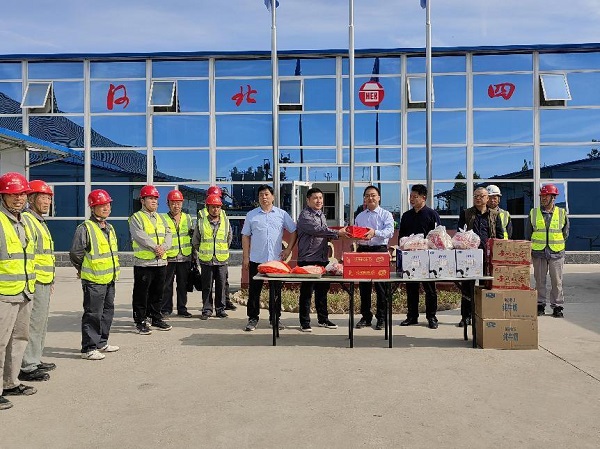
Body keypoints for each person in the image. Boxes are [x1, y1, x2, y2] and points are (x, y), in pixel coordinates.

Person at [0, 172, 37, 410]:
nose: (18, 198)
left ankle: (10, 382)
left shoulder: (23, 221)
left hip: (24, 290)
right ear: (3, 196)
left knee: (18, 339)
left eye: (22, 194)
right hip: (3, 294)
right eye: (13, 194)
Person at [69, 189, 120, 360]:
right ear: (92, 207)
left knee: (107, 312)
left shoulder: (109, 228)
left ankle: (101, 342)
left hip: (109, 279)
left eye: (108, 205)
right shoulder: (85, 228)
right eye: (101, 205)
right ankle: (88, 348)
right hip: (93, 280)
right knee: (93, 314)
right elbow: (76, 253)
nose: (106, 208)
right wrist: (83, 268)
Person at [241, 185, 297, 332]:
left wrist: (288, 249)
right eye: (261, 195)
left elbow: (293, 230)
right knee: (254, 291)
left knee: (275, 291)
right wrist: (246, 257)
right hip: (256, 259)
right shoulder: (251, 215)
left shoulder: (281, 214)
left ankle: (275, 319)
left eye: (266, 194)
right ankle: (253, 319)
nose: (264, 197)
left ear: (273, 197)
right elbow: (245, 236)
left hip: (275, 261)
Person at [19, 181, 56, 381]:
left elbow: (45, 255)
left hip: (44, 280)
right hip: (34, 282)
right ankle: (28, 366)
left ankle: (35, 358)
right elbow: (28, 255)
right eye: (43, 197)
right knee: (33, 324)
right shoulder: (27, 220)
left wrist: (51, 279)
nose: (47, 201)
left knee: (40, 323)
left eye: (49, 198)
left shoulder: (39, 221)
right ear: (31, 199)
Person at [296, 187, 347, 332]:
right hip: (308, 259)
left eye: (320, 198)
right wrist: (338, 233)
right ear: (308, 200)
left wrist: (336, 235)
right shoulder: (305, 216)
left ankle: (323, 319)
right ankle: (305, 322)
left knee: (322, 291)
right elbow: (318, 230)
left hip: (321, 258)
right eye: (315, 198)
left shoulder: (321, 215)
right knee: (307, 292)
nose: (318, 201)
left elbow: (323, 234)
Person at [457, 186, 504, 327]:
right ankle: (466, 317)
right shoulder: (466, 213)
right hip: (469, 257)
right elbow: (459, 234)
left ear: (487, 198)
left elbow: (500, 236)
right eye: (475, 196)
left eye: (481, 196)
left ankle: (484, 315)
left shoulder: (494, 215)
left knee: (486, 287)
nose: (478, 198)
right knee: (467, 288)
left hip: (487, 257)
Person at [129, 185, 173, 334]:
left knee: (158, 292)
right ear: (142, 200)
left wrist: (164, 248)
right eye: (150, 198)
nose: (154, 201)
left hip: (160, 262)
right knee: (141, 294)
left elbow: (168, 234)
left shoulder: (162, 218)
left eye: (155, 198)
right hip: (144, 263)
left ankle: (155, 317)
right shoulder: (136, 217)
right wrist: (156, 247)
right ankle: (140, 320)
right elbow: (140, 236)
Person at [398, 184, 441, 329]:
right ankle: (412, 316)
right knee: (411, 288)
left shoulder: (432, 214)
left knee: (430, 289)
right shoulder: (406, 216)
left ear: (423, 198)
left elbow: (438, 237)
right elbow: (401, 237)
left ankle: (431, 317)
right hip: (411, 258)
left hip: (428, 257)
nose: (411, 199)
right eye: (410, 196)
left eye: (415, 197)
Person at [354, 185, 395, 331]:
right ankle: (366, 317)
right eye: (367, 196)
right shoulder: (360, 216)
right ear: (364, 199)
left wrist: (375, 232)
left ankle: (381, 318)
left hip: (379, 251)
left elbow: (390, 231)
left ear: (379, 197)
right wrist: (354, 235)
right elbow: (356, 232)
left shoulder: (386, 214)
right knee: (364, 286)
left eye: (373, 195)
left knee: (381, 287)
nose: (370, 198)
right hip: (363, 251)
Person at [526, 184, 569, 318]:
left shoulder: (562, 213)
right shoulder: (533, 213)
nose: (543, 198)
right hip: (538, 252)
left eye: (546, 195)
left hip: (556, 252)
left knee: (557, 281)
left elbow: (565, 233)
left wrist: (556, 243)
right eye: (542, 196)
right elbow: (528, 233)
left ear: (553, 197)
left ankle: (557, 306)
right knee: (539, 281)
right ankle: (540, 305)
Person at [192, 194, 231, 320]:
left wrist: (221, 250)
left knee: (221, 286)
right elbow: (196, 241)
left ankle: (220, 309)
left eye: (218, 207)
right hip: (206, 260)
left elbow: (229, 239)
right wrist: (204, 251)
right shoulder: (201, 222)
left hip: (221, 260)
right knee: (207, 286)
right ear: (207, 207)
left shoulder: (226, 222)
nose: (215, 209)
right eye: (213, 207)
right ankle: (207, 309)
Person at [161, 189, 193, 318]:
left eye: (178, 203)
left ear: (182, 203)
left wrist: (193, 257)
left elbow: (192, 237)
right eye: (173, 203)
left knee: (183, 285)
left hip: (185, 257)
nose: (176, 206)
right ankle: (166, 309)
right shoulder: (162, 219)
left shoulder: (188, 218)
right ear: (168, 204)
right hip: (169, 257)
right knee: (167, 285)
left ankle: (182, 308)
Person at [206, 186, 237, 311]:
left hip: (221, 255)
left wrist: (222, 247)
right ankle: (208, 307)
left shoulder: (222, 213)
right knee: (208, 284)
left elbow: (228, 234)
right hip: (208, 255)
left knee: (223, 282)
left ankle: (225, 302)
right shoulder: (202, 213)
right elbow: (198, 237)